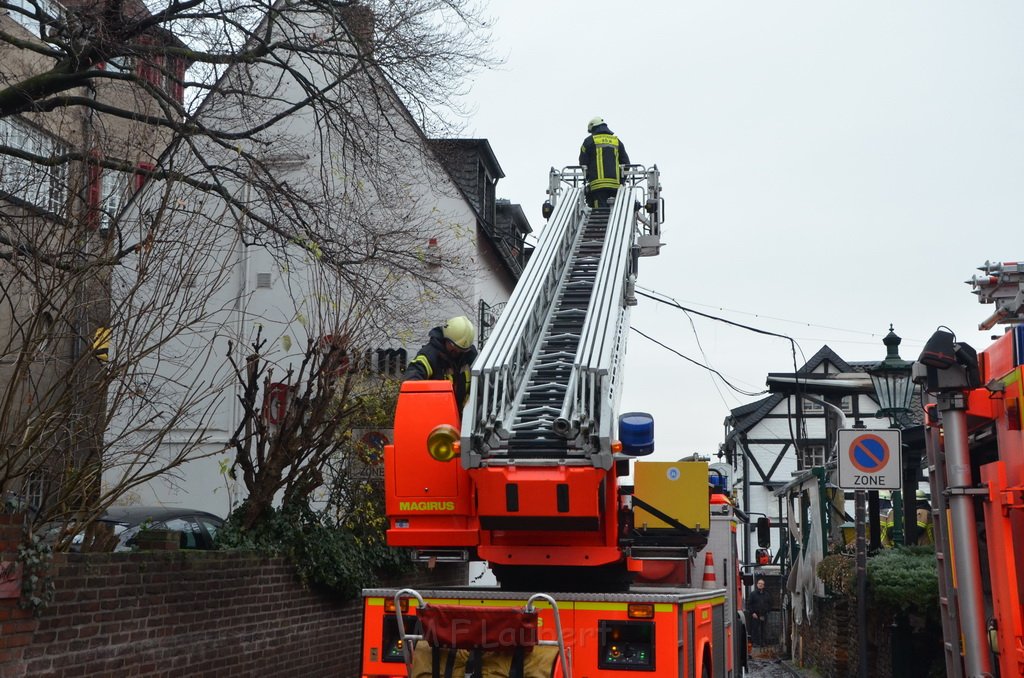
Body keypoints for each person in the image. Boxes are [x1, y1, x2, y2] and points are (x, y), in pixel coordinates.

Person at [403, 316, 479, 410]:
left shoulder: (470, 357)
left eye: (461, 350)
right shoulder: (430, 355)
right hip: (436, 416)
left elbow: (482, 385)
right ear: (446, 339)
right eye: (454, 347)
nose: (457, 352)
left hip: (465, 417)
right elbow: (413, 375)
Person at [579, 117, 630, 208]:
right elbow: (626, 163)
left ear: (593, 128)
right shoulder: (617, 141)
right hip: (615, 185)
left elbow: (583, 163)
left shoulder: (588, 141)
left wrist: (588, 178)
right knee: (614, 209)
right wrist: (621, 180)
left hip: (597, 185)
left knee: (599, 210)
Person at [747, 577, 771, 648]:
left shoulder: (767, 595)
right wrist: (752, 613)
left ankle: (763, 643)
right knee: (755, 629)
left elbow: (770, 604)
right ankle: (755, 643)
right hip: (755, 615)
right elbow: (749, 604)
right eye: (759, 583)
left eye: (762, 584)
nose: (760, 585)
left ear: (764, 586)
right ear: (757, 585)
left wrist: (766, 611)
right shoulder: (752, 594)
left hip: (764, 614)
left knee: (763, 629)